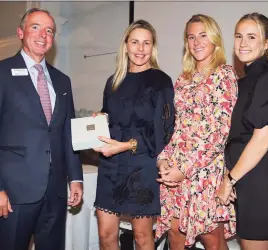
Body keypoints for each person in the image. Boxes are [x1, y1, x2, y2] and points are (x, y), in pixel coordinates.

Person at [0, 8, 83, 250]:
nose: (43, 34)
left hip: (55, 192)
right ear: (20, 32)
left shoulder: (63, 81)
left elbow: (68, 132)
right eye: (36, 27)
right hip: (13, 192)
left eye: (49, 30)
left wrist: (75, 177)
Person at [155, 14, 238, 250]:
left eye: (203, 35)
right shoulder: (182, 80)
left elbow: (218, 134)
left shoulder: (224, 75)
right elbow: (177, 127)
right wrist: (163, 160)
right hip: (175, 170)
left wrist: (185, 169)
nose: (197, 42)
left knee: (212, 240)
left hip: (205, 173)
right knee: (175, 235)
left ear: (215, 40)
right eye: (191, 37)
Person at [92, 19, 175, 250]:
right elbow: (112, 117)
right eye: (135, 42)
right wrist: (101, 118)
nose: (140, 49)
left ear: (153, 47)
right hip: (111, 164)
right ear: (126, 45)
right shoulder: (113, 81)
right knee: (106, 235)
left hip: (142, 165)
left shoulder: (161, 81)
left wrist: (126, 145)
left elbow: (165, 130)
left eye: (146, 43)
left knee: (141, 237)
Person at [216, 12, 268, 250]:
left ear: (266, 43)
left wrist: (229, 181)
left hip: (260, 181)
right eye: (239, 36)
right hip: (251, 178)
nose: (243, 43)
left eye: (251, 37)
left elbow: (261, 141)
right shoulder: (243, 82)